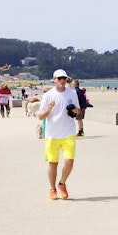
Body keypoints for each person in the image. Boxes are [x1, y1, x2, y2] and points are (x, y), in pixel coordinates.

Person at [38, 69, 81, 200]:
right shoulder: (48, 95)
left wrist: (75, 110)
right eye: (59, 78)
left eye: (64, 78)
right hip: (52, 134)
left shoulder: (72, 93)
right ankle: (52, 189)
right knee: (53, 163)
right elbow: (40, 116)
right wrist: (49, 109)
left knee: (69, 162)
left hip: (68, 132)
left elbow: (78, 111)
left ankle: (62, 183)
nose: (62, 80)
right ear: (54, 79)